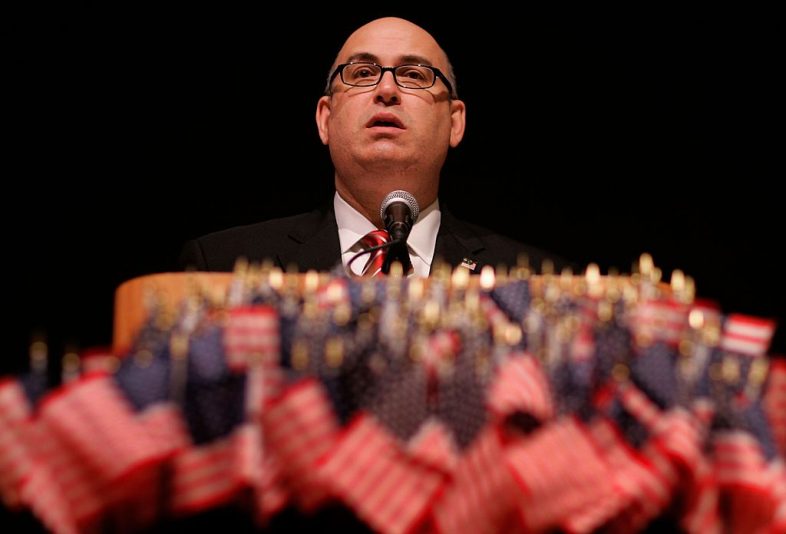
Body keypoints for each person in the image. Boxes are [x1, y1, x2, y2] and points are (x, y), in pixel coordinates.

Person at [179, 17, 564, 276]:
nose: (386, 90)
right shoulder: (222, 265)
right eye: (362, 73)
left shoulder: (533, 279)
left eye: (414, 75)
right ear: (325, 118)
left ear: (455, 122)